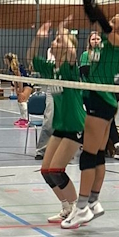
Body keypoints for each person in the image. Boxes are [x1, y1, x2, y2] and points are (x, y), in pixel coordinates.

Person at [63, 0, 119, 230]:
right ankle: (94, 202)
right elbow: (93, 14)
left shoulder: (117, 41)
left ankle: (82, 207)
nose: (111, 21)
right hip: (103, 99)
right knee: (96, 154)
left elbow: (99, 17)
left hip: (100, 99)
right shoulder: (110, 42)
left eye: (115, 20)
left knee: (88, 155)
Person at [28, 18, 82, 224]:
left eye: (58, 40)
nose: (53, 42)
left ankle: (78, 209)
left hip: (75, 124)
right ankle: (66, 207)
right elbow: (31, 58)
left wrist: (62, 31)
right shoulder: (51, 68)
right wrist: (38, 38)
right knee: (46, 171)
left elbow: (72, 52)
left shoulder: (70, 68)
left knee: (57, 170)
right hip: (60, 125)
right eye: (55, 39)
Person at [4, 52, 34, 127]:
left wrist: (20, 91)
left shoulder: (15, 67)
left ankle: (26, 120)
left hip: (27, 84)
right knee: (19, 100)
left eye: (5, 59)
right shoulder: (11, 67)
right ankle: (23, 118)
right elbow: (15, 80)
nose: (4, 61)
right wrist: (16, 89)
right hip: (22, 84)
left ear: (8, 60)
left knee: (22, 100)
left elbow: (20, 79)